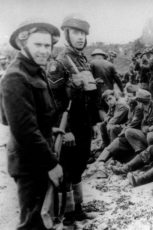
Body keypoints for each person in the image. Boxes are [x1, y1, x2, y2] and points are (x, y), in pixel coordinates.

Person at [0, 19, 62, 230]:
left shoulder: (34, 69)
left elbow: (28, 115)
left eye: (48, 45)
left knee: (43, 219)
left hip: (36, 156)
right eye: (38, 45)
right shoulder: (16, 76)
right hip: (30, 163)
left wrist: (48, 128)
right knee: (33, 224)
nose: (45, 50)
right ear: (22, 42)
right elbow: (23, 130)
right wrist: (51, 164)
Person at [47, 14, 99, 223]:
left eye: (83, 34)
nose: (80, 38)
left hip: (84, 123)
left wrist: (93, 122)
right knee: (68, 169)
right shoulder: (59, 62)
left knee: (79, 167)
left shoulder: (82, 59)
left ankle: (78, 209)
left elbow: (89, 94)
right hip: (69, 126)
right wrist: (64, 129)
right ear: (67, 35)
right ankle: (67, 216)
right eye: (76, 33)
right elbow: (55, 100)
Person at [90, 48, 123, 120]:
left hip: (97, 91)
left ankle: (105, 123)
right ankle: (110, 123)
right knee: (110, 107)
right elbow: (117, 79)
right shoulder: (110, 64)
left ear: (94, 56)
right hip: (109, 91)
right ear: (103, 56)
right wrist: (122, 90)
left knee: (99, 108)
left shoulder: (91, 63)